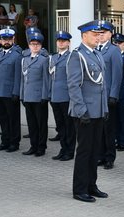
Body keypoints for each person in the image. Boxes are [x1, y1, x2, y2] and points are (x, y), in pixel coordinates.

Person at [67, 19, 109, 203]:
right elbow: (74, 86)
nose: (98, 37)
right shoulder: (77, 56)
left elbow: (102, 85)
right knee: (84, 151)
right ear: (84, 36)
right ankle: (80, 189)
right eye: (94, 34)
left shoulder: (97, 54)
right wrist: (81, 110)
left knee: (95, 151)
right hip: (84, 112)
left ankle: (92, 185)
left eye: (100, 34)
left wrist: (104, 108)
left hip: (98, 111)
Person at [96, 20, 123, 170]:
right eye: (98, 33)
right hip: (96, 97)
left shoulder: (113, 51)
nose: (100, 36)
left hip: (108, 97)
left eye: (103, 33)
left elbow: (117, 75)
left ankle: (109, 157)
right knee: (98, 128)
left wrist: (114, 95)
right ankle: (100, 155)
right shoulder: (94, 49)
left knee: (109, 129)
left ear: (110, 34)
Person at [20, 32, 49, 157]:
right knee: (31, 123)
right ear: (29, 45)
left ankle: (41, 148)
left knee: (41, 124)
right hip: (28, 96)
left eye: (37, 44)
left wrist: (44, 96)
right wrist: (22, 95)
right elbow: (23, 79)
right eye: (32, 44)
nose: (35, 46)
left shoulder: (44, 60)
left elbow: (46, 80)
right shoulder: (25, 60)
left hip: (39, 97)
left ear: (41, 46)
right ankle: (33, 145)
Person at [49, 31, 76, 161]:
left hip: (66, 97)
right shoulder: (53, 58)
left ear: (68, 43)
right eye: (59, 40)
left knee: (69, 126)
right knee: (60, 125)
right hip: (55, 96)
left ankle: (70, 151)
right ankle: (63, 148)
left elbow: (73, 79)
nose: (61, 42)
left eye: (64, 41)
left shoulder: (71, 57)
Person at [0, 28, 22, 152]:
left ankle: (14, 142)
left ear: (13, 39)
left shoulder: (17, 55)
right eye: (4, 39)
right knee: (2, 118)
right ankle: (5, 141)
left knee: (13, 119)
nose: (6, 41)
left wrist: (16, 92)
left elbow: (18, 76)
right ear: (0, 40)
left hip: (10, 93)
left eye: (8, 39)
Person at [113, 33, 124, 152]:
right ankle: (115, 139)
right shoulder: (112, 56)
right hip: (113, 92)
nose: (118, 45)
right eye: (115, 43)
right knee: (114, 118)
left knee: (123, 118)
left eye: (120, 43)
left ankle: (123, 142)